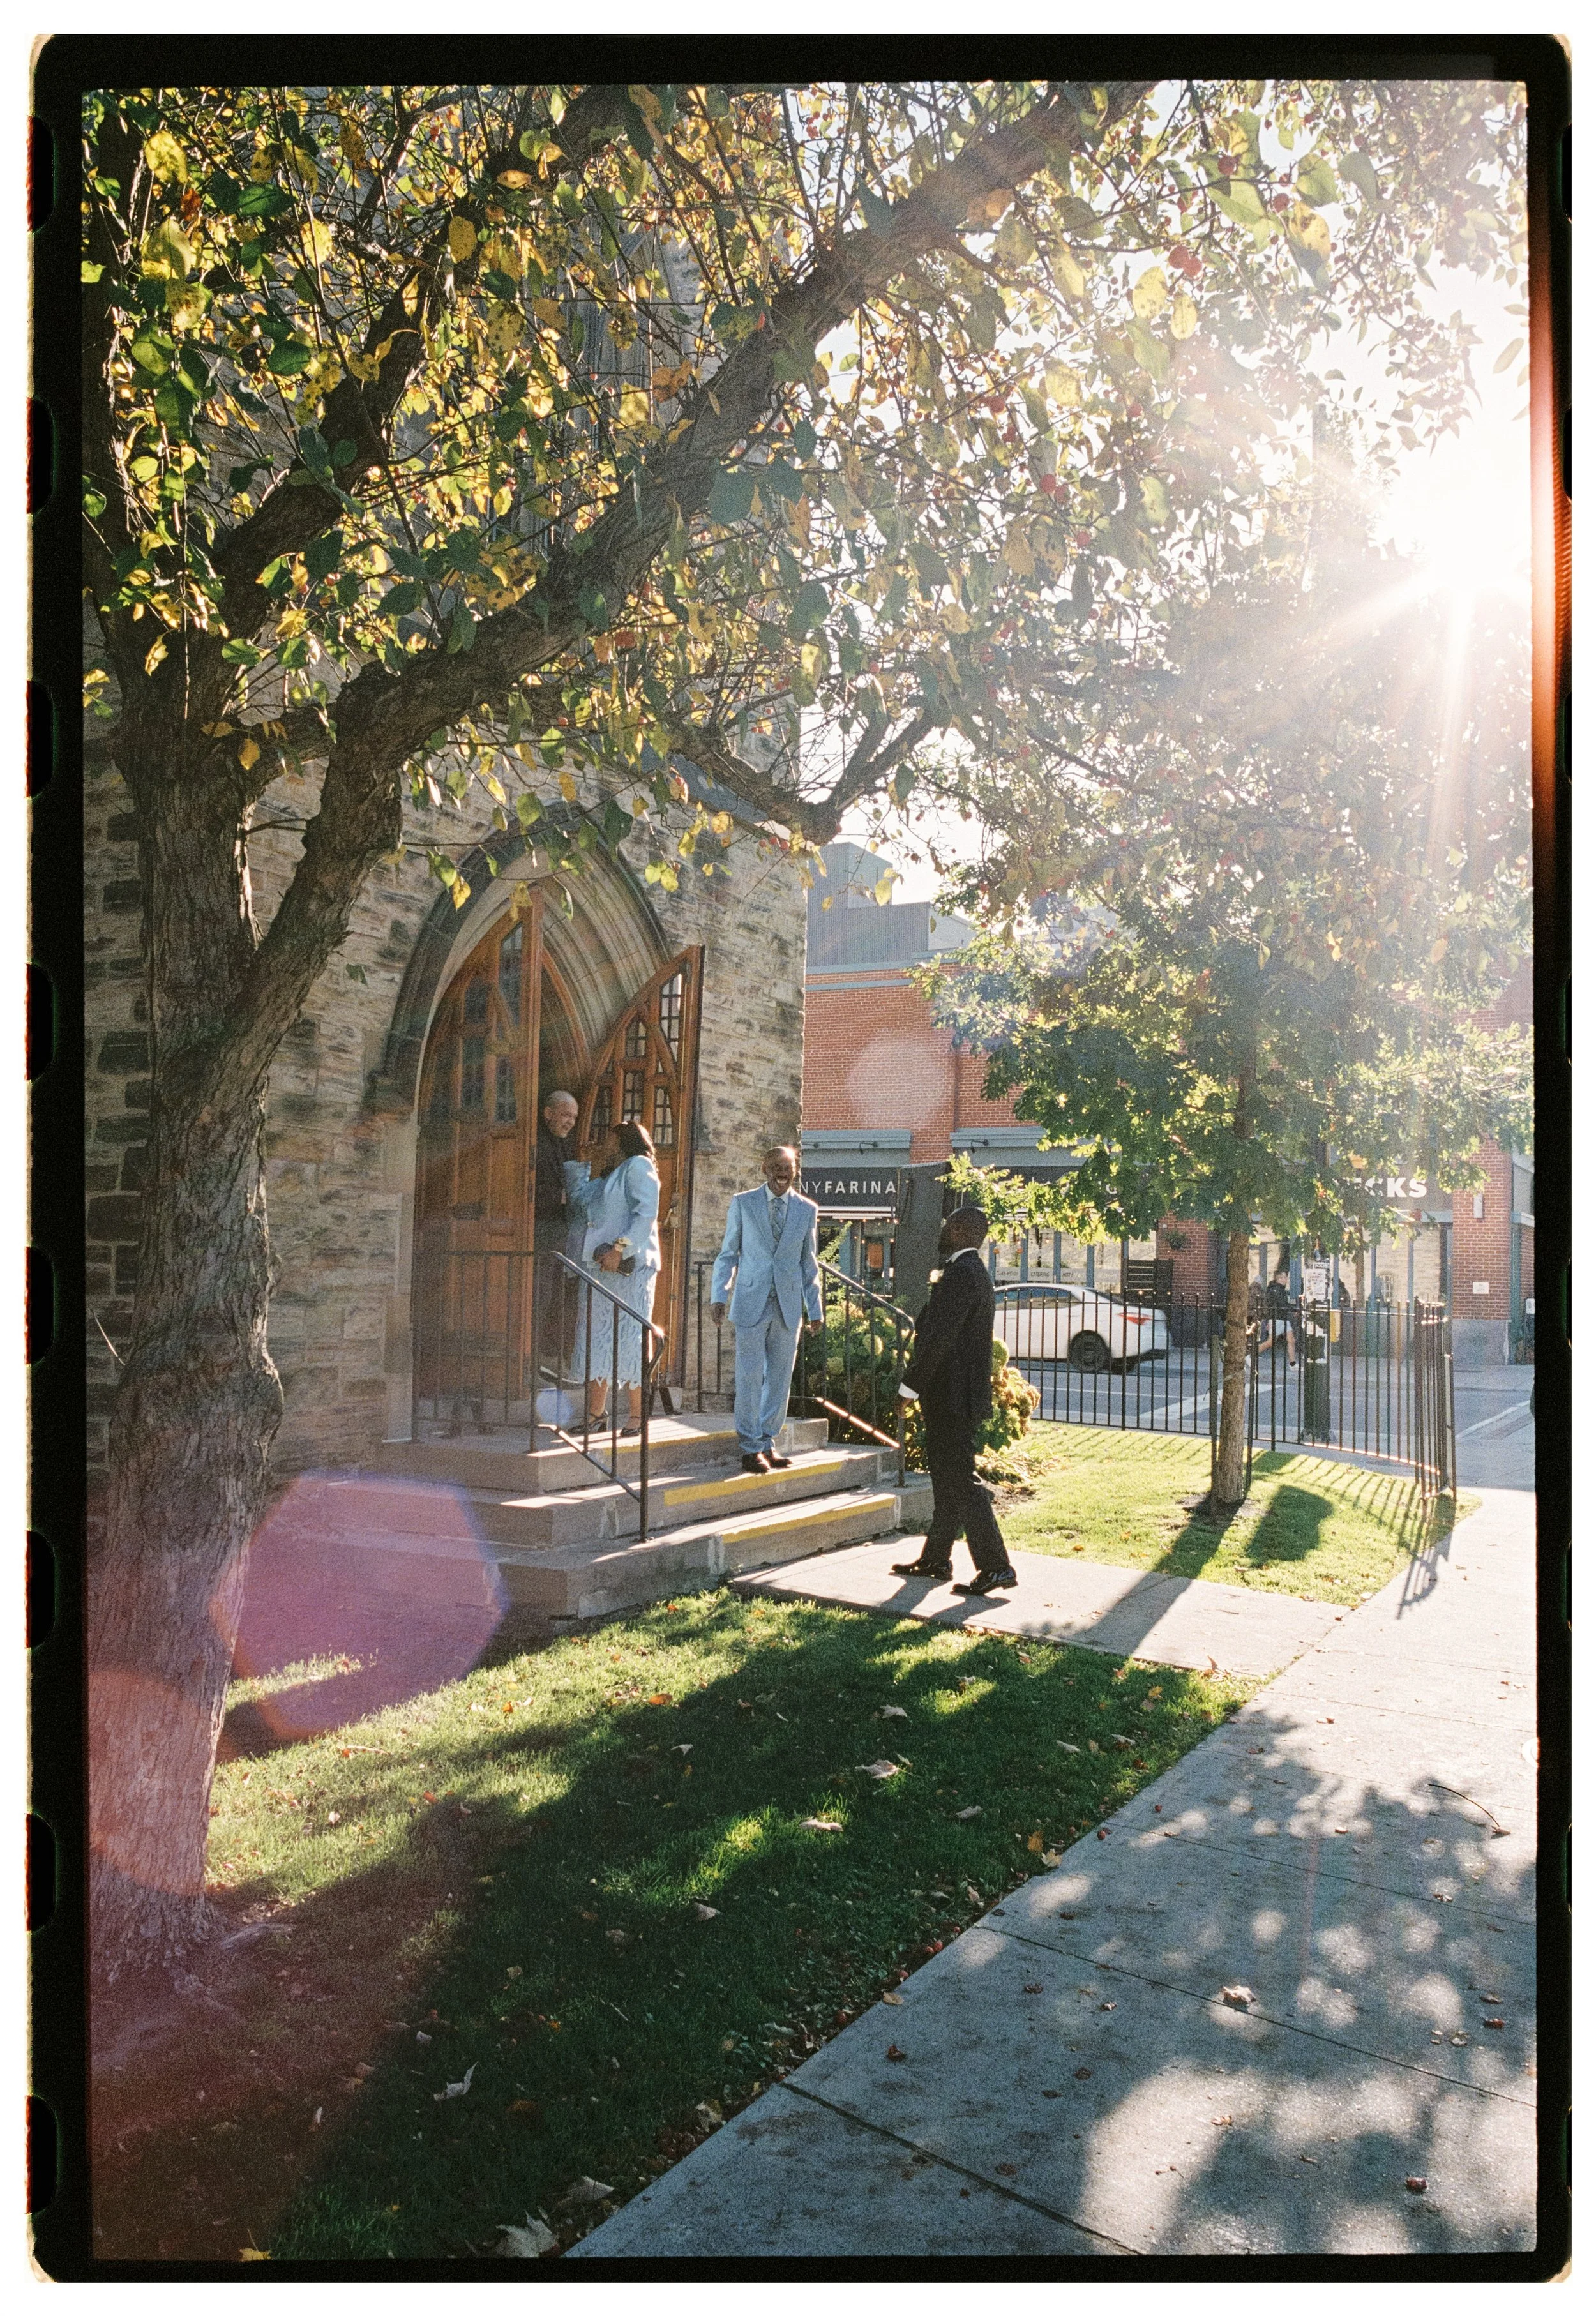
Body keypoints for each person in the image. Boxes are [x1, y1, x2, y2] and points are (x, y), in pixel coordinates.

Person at [891, 1204, 1018, 1597]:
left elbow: (938, 1340)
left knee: (961, 1480)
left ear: (962, 1231)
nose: (943, 1230)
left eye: (949, 1225)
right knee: (947, 1480)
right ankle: (936, 1559)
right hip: (954, 1395)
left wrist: (908, 1388)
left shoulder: (962, 1274)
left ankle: (996, 1566)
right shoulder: (969, 1272)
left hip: (952, 1396)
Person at [710, 1146, 822, 1474]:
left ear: (795, 1171)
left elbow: (808, 1263)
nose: (781, 1172)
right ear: (764, 1169)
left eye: (787, 1167)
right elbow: (728, 1253)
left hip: (787, 1305)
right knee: (748, 1375)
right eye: (774, 1166)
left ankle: (768, 1441)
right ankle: (749, 1447)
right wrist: (719, 1294)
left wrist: (815, 1309)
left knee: (779, 1378)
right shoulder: (743, 1203)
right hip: (750, 1301)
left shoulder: (806, 1210)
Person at [569, 1120, 661, 1434]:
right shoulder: (612, 1173)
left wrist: (620, 1249)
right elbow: (580, 1200)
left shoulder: (638, 1165)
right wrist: (579, 1163)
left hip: (629, 1266)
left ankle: (637, 1417)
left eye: (608, 1138)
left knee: (629, 1337)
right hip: (601, 1266)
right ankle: (596, 1414)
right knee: (597, 1337)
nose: (604, 1143)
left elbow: (646, 1213)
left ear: (623, 1140)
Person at [532, 1088, 579, 1379]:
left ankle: (549, 1357)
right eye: (565, 1115)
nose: (570, 1122)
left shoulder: (565, 1145)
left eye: (573, 1117)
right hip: (539, 1233)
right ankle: (530, 1361)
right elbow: (527, 1190)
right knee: (538, 1296)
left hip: (559, 1235)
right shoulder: (535, 1142)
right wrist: (563, 1197)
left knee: (557, 1297)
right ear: (548, 1113)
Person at [1261, 1256, 1297, 1365]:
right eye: (1285, 1278)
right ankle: (1250, 1355)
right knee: (1270, 1343)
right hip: (1278, 1319)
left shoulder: (1279, 1290)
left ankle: (1293, 1363)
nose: (1287, 1280)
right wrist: (1293, 1309)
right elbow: (1281, 1305)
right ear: (1280, 1278)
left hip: (1283, 1319)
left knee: (1291, 1340)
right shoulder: (1276, 1290)